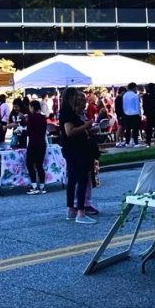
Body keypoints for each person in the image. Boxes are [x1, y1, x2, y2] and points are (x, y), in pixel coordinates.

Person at [59, 88, 96, 224]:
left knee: (72, 179)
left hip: (74, 149)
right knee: (81, 180)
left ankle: (71, 209)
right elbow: (69, 131)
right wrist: (86, 126)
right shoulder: (67, 114)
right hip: (76, 150)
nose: (79, 99)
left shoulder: (69, 113)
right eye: (76, 96)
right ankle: (81, 211)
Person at [25, 99, 48, 194]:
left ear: (33, 107)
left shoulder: (31, 117)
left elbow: (29, 131)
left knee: (29, 163)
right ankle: (42, 186)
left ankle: (34, 185)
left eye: (30, 107)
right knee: (39, 165)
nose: (29, 109)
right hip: (42, 143)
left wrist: (22, 132)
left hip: (33, 143)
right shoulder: (43, 118)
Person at [142, 83, 155, 147]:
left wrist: (145, 113)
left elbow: (144, 105)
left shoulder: (145, 96)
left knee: (149, 129)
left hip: (148, 114)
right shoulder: (154, 95)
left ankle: (148, 142)